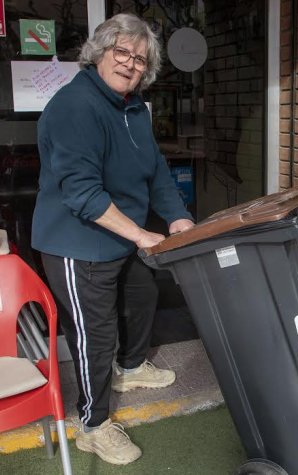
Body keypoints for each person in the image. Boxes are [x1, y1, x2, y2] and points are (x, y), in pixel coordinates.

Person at [31, 13, 194, 465]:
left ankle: (131, 367)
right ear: (99, 53)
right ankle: (93, 424)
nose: (130, 64)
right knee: (94, 335)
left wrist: (177, 216)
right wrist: (142, 233)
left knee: (143, 294)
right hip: (77, 241)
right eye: (122, 52)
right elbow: (81, 193)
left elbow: (156, 169)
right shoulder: (74, 106)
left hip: (120, 237)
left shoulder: (135, 107)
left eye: (140, 60)